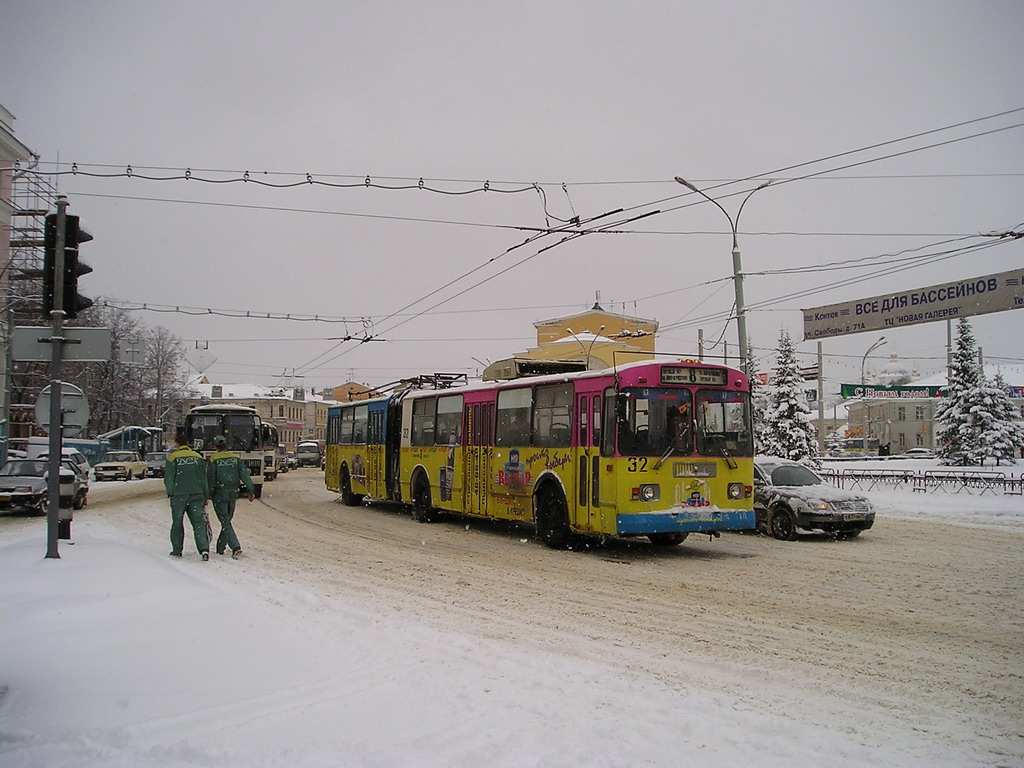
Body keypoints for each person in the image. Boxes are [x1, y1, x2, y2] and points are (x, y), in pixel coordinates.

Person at [207, 434, 255, 559]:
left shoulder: (214, 459)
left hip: (219, 493)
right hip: (233, 493)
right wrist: (251, 491)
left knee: (225, 521)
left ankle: (235, 547)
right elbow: (244, 475)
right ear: (226, 446)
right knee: (227, 519)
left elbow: (211, 479)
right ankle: (220, 548)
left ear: (216, 447)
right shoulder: (235, 458)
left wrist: (208, 494)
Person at [164, 432, 211, 560]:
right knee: (199, 523)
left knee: (177, 522)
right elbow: (203, 478)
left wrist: (170, 492)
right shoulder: (197, 457)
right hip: (197, 494)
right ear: (188, 443)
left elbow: (169, 478)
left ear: (177, 444)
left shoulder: (173, 458)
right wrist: (206, 495)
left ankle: (177, 550)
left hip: (179, 495)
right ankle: (204, 549)